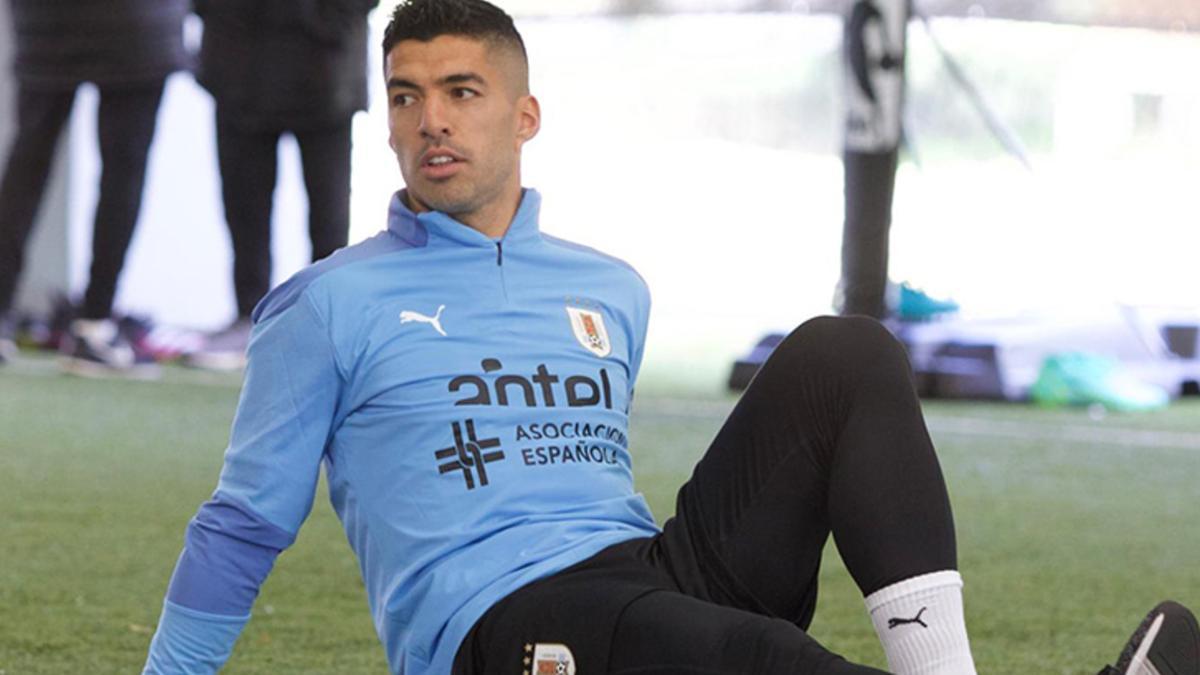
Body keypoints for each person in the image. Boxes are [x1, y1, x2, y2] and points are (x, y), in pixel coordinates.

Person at [142, 2, 1200, 674]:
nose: (432, 121)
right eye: (408, 96)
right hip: (497, 625)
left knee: (845, 351)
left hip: (648, 569)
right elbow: (240, 530)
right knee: (753, 655)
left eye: (463, 93)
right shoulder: (326, 303)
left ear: (525, 115)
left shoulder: (612, 290)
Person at [184, 0, 379, 371]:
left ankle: (327, 327)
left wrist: (324, 18)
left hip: (325, 67)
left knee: (328, 214)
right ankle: (250, 318)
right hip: (239, 65)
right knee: (244, 208)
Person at [0, 0, 189, 372]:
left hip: (55, 22)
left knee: (30, 160)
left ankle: (86, 323)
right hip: (136, 24)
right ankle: (95, 327)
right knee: (121, 170)